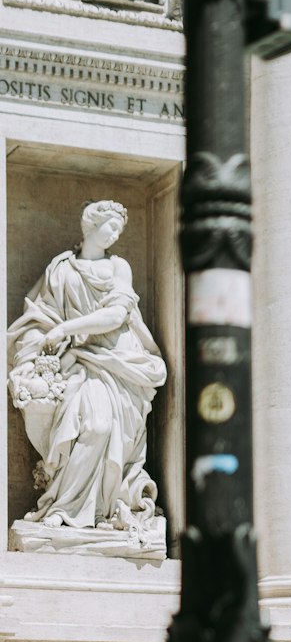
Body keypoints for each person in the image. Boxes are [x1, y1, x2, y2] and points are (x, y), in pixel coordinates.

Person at [8, 200, 166, 535]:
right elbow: (39, 317)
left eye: (120, 230)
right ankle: (64, 507)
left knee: (101, 427)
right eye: (110, 227)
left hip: (119, 362)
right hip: (78, 362)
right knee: (92, 425)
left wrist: (66, 328)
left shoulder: (119, 267)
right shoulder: (61, 269)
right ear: (90, 226)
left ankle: (95, 511)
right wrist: (41, 344)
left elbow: (118, 315)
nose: (115, 235)